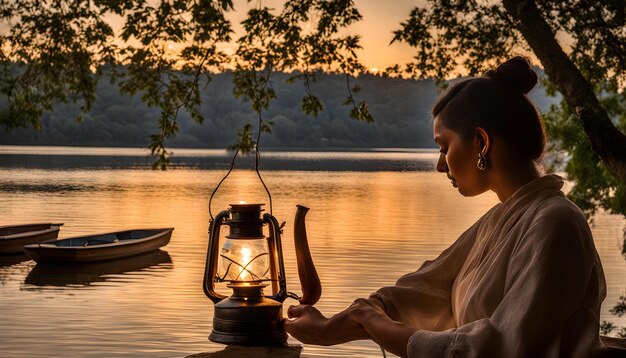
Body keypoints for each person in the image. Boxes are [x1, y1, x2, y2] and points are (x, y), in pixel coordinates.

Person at [283, 56, 607, 357]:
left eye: (444, 146)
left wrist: (375, 324)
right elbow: (423, 290)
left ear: (481, 142)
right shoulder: (502, 220)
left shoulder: (555, 223)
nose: (441, 165)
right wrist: (329, 328)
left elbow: (499, 347)